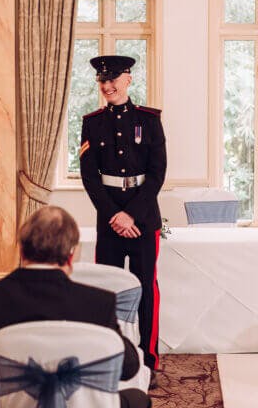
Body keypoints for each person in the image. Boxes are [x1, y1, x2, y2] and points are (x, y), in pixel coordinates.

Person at [0, 205, 151, 408]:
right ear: (71, 256)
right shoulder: (98, 303)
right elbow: (129, 367)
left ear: (21, 249)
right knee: (138, 399)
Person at [80, 55, 167, 384]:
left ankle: (148, 360)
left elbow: (157, 175)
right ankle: (112, 356)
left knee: (146, 290)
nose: (108, 85)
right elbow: (90, 177)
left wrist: (132, 214)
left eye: (114, 78)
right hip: (109, 219)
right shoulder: (92, 122)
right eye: (103, 80)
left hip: (144, 219)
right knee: (109, 291)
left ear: (129, 79)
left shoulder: (150, 120)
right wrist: (115, 214)